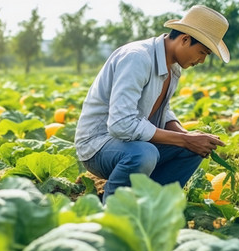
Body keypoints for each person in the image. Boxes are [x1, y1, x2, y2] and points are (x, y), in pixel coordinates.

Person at [74, 5, 230, 202]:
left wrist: (187, 137)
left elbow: (162, 110)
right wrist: (183, 139)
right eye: (202, 52)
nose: (201, 60)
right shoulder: (137, 58)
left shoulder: (173, 68)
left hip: (131, 142)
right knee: (145, 153)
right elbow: (120, 125)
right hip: (99, 145)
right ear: (184, 39)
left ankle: (152, 205)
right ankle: (112, 214)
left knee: (193, 149)